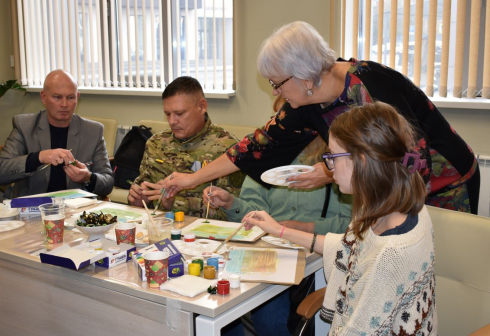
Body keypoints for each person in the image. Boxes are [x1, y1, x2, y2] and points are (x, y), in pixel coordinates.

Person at [165, 21, 479, 214]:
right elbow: (258, 146)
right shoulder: (307, 101)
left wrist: (330, 173)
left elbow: (411, 157)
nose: (276, 93)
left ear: (304, 75)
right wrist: (190, 179)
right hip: (389, 189)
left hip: (446, 181)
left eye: (277, 83)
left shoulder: (370, 85)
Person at [243, 102, 437, 335]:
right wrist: (278, 230)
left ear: (362, 160)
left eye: (333, 157)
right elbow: (350, 248)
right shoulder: (398, 209)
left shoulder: (389, 256)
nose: (329, 167)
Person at [206, 97, 352, 336]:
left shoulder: (335, 166)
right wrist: (231, 203)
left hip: (312, 262)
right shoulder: (268, 157)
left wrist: (303, 227)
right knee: (221, 307)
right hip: (266, 255)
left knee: (269, 321)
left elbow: (350, 225)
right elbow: (253, 212)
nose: (283, 134)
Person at [128, 76, 243, 220]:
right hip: (160, 228)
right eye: (167, 114)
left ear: (202, 107)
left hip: (201, 236)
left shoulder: (228, 150)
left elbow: (230, 213)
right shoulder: (156, 144)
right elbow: (144, 193)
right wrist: (139, 201)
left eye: (180, 113)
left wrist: (174, 204)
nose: (172, 121)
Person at [0, 70, 114, 198]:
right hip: (34, 209)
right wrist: (38, 157)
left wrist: (88, 177)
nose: (64, 104)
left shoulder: (93, 131)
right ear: (44, 97)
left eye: (70, 97)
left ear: (77, 98)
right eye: (57, 97)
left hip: (76, 210)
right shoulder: (24, 126)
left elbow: (108, 182)